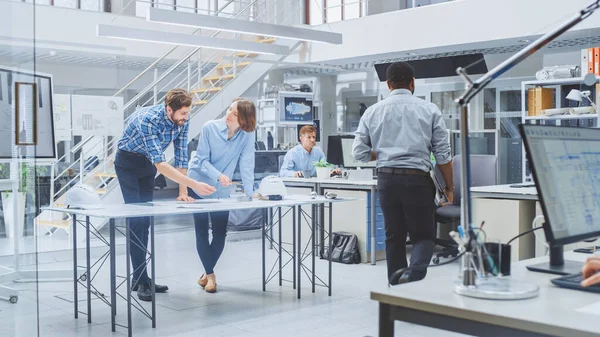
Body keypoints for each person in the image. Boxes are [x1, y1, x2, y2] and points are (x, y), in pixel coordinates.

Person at [352, 61, 454, 285]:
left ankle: (397, 288)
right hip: (418, 180)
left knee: (394, 238)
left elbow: (358, 153)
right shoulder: (429, 109)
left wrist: (382, 153)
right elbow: (443, 155)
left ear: (388, 84)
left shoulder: (373, 112)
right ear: (412, 83)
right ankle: (413, 279)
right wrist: (449, 187)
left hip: (387, 180)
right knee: (424, 236)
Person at [115, 88, 216, 301]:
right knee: (137, 220)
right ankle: (141, 280)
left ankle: (140, 277)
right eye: (182, 114)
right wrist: (194, 184)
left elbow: (180, 155)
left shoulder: (183, 119)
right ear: (169, 109)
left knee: (146, 221)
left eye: (188, 113)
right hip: (128, 163)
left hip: (147, 166)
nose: (186, 118)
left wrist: (183, 191)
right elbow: (161, 164)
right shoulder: (148, 120)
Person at [187, 98, 257, 293]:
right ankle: (211, 276)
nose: (228, 114)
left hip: (221, 191)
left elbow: (247, 164)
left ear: (243, 119)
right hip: (199, 183)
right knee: (201, 231)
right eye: (229, 109)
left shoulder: (247, 135)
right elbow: (201, 161)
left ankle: (205, 273)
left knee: (220, 233)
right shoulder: (209, 127)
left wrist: (251, 194)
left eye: (234, 113)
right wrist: (218, 175)